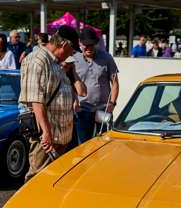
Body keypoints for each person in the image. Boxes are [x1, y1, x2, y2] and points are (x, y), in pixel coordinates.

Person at [19, 25, 83, 182]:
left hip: (60, 138)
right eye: (72, 50)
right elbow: (36, 99)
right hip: (46, 140)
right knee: (38, 181)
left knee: (55, 183)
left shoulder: (54, 62)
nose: (72, 54)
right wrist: (46, 133)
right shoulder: (37, 60)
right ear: (64, 44)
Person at [73, 27, 119, 145]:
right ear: (80, 43)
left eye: (91, 45)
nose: (89, 48)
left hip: (103, 109)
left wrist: (112, 103)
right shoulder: (74, 59)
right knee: (83, 146)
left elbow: (114, 83)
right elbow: (70, 83)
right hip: (83, 109)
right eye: (86, 45)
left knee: (103, 144)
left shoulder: (106, 58)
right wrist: (73, 101)